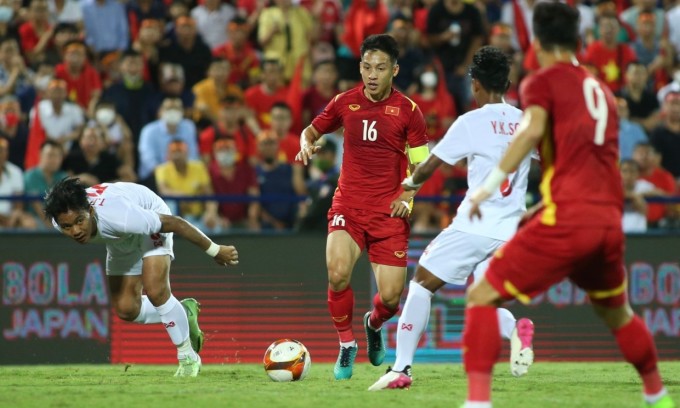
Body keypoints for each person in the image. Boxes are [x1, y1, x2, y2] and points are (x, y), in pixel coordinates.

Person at [461, 3, 675, 408]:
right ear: (578, 40)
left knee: (481, 296)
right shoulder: (601, 91)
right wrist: (544, 205)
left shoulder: (542, 82)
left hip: (570, 220)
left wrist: (488, 186)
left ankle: (477, 403)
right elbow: (591, 166)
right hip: (606, 222)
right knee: (618, 314)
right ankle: (657, 395)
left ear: (537, 43)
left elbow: (530, 132)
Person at [368, 45, 535, 391]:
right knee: (483, 301)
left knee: (421, 284)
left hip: (475, 225)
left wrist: (407, 188)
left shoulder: (471, 122)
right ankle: (516, 329)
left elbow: (430, 164)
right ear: (507, 84)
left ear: (475, 84)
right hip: (513, 231)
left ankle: (401, 368)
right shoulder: (526, 122)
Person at [296, 34, 429, 380]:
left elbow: (421, 164)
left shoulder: (409, 111)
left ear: (394, 70)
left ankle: (373, 324)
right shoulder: (344, 102)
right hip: (349, 206)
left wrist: (407, 196)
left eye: (380, 68)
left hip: (389, 212)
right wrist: (306, 143)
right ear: (360, 67)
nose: (372, 74)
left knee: (391, 299)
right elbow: (311, 130)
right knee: (337, 273)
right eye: (367, 67)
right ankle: (346, 344)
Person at [43, 177, 239, 376]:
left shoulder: (120, 216)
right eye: (67, 227)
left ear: (91, 211)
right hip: (120, 237)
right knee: (126, 309)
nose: (75, 231)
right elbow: (79, 222)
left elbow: (176, 223)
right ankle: (183, 311)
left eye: (80, 221)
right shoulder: (59, 218)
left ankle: (188, 357)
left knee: (156, 291)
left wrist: (215, 250)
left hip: (148, 214)